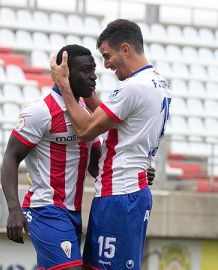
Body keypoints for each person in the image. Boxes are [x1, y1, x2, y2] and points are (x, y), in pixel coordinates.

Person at [1, 44, 156, 270]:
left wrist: (135, 171)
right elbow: (10, 158)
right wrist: (14, 210)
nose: (93, 77)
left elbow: (96, 167)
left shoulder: (86, 114)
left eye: (93, 70)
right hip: (45, 209)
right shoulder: (40, 112)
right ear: (65, 74)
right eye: (85, 70)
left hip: (73, 212)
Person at [50, 19, 172, 270]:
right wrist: (85, 88)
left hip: (120, 195)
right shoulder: (159, 82)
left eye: (107, 56)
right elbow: (118, 120)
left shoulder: (132, 87)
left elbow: (85, 130)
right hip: (129, 190)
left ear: (125, 49)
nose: (105, 65)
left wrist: (64, 84)